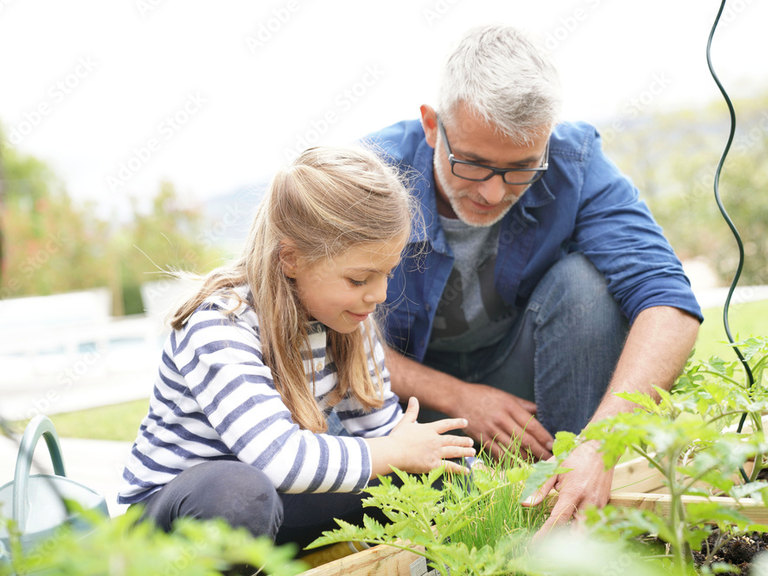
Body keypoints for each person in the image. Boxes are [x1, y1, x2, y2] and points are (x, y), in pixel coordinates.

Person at [364, 25, 702, 533]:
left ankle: (573, 491)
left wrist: (601, 443)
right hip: (402, 402)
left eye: (522, 168)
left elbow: (669, 305)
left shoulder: (574, 161)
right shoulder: (369, 174)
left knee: (585, 283)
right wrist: (458, 397)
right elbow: (317, 327)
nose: (495, 193)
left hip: (519, 378)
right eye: (474, 164)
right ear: (433, 126)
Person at [117, 145, 476, 551]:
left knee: (442, 471)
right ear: (291, 258)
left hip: (274, 502)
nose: (379, 294)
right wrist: (395, 450)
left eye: (387, 273)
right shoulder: (221, 323)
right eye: (359, 279)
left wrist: (447, 463)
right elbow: (278, 458)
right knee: (240, 496)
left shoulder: (348, 321)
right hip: (183, 517)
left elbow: (386, 437)